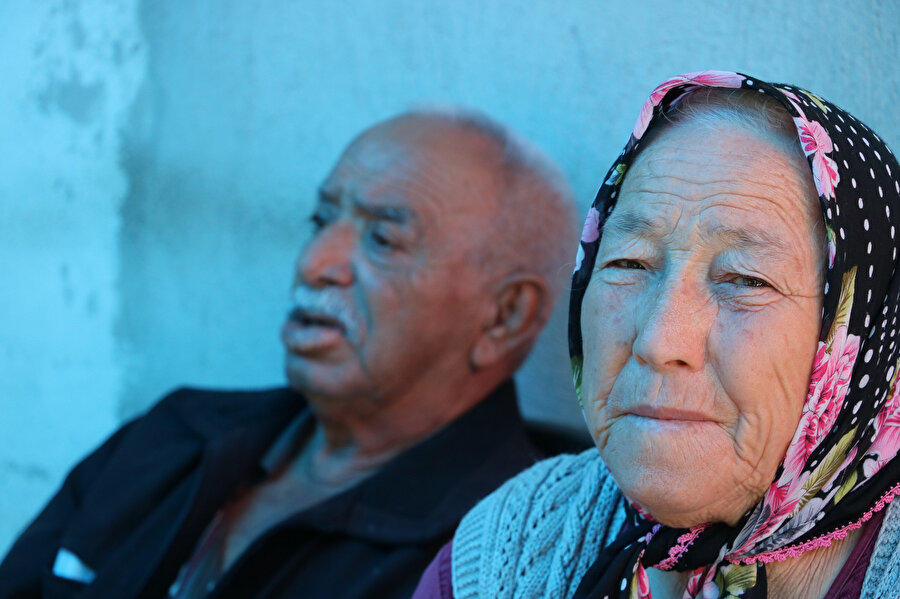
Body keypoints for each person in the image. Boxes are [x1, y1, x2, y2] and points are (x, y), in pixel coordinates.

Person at [0, 109, 578, 599]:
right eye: (320, 220)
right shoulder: (174, 437)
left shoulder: (507, 552)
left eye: (384, 239)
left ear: (504, 317)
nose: (314, 263)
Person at [413, 72, 900, 599]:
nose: (660, 342)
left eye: (745, 279)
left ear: (860, 339)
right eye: (629, 262)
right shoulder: (503, 549)